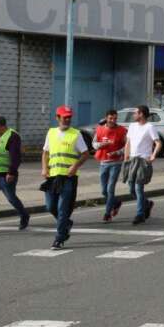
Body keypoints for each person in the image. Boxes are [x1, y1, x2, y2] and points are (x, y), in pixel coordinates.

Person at [42, 106, 91, 249]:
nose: (67, 120)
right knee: (50, 206)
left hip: (69, 177)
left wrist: (75, 166)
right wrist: (44, 168)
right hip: (52, 176)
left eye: (69, 117)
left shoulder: (76, 134)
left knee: (62, 208)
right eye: (64, 117)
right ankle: (66, 224)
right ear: (57, 118)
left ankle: (59, 238)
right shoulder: (51, 133)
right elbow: (45, 153)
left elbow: (85, 153)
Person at [123, 105, 161, 225]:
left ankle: (140, 214)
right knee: (131, 189)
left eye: (135, 113)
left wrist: (153, 155)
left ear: (141, 114)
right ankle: (146, 204)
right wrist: (126, 157)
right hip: (132, 160)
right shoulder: (132, 126)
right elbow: (128, 143)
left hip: (143, 160)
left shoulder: (150, 127)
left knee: (138, 188)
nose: (134, 115)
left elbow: (158, 143)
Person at [93, 109, 127, 222]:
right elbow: (94, 144)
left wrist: (117, 152)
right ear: (106, 118)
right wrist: (100, 145)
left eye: (115, 118)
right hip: (103, 162)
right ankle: (116, 203)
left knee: (110, 189)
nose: (113, 120)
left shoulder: (122, 130)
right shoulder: (100, 129)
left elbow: (127, 146)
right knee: (104, 191)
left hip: (116, 163)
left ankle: (107, 214)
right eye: (111, 118)